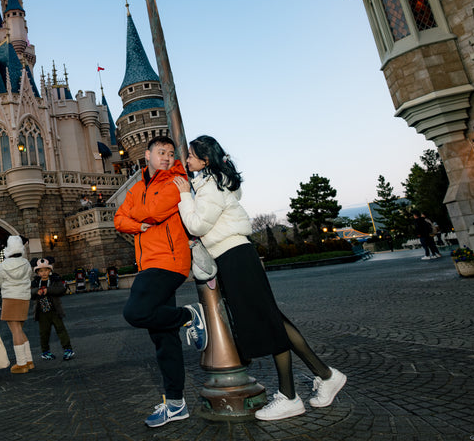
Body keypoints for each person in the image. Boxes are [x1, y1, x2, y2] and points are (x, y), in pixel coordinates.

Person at [173, 135, 347, 421]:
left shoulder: (211, 188)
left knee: (270, 323)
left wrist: (183, 195)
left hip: (234, 257)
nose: (187, 160)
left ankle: (291, 395)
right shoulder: (211, 183)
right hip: (236, 256)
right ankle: (324, 376)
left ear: (204, 160)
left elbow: (196, 224)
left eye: (191, 155)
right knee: (274, 320)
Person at [114, 135, 207, 428]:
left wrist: (138, 219)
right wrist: (137, 222)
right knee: (163, 338)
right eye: (161, 152)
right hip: (148, 262)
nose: (166, 157)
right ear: (147, 155)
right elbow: (118, 219)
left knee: (135, 312)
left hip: (168, 262)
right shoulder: (138, 186)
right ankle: (176, 403)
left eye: (170, 153)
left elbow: (154, 212)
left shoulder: (177, 179)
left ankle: (190, 315)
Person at [0, 235, 34, 374]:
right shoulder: (26, 263)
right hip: (24, 298)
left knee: (15, 330)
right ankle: (29, 360)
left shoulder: (3, 265)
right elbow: (30, 277)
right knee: (20, 329)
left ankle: (22, 363)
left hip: (10, 298)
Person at [30, 257, 75, 361]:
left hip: (54, 310)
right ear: (37, 272)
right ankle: (45, 352)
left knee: (61, 330)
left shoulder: (55, 280)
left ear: (50, 270)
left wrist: (48, 290)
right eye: (41, 271)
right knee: (44, 332)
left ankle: (68, 349)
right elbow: (29, 294)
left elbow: (61, 290)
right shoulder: (35, 282)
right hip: (41, 312)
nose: (44, 273)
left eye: (46, 270)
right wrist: (36, 291)